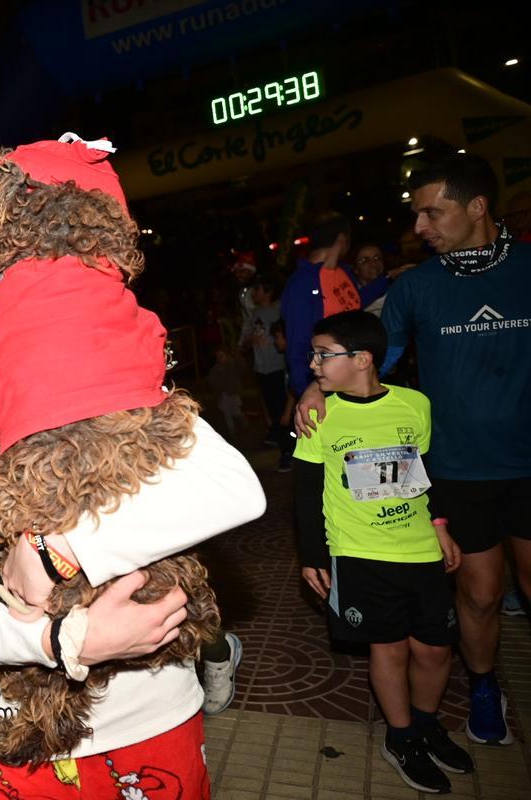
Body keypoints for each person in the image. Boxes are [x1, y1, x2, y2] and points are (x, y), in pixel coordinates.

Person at [0, 208, 265, 797]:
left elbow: (229, 486)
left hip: (143, 707)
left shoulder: (77, 351)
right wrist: (61, 640)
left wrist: (59, 551)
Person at [296, 154, 531, 748]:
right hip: (459, 469)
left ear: (477, 207)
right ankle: (482, 685)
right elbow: (370, 354)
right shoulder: (418, 286)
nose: (420, 225)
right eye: (417, 213)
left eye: (433, 212)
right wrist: (313, 384)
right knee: (478, 593)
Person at [294, 310, 472, 793]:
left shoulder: (415, 405)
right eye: (313, 355)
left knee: (435, 650)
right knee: (388, 648)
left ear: (363, 358)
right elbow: (306, 492)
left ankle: (427, 723)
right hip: (358, 553)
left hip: (419, 550)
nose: (313, 364)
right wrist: (313, 555)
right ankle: (402, 737)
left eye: (323, 355)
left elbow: (425, 471)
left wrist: (440, 526)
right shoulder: (320, 415)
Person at [281, 214, 389, 396]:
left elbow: (353, 303)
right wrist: (306, 391)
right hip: (325, 386)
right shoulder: (302, 283)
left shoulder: (343, 272)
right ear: (342, 239)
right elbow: (297, 344)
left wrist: (387, 278)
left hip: (356, 377)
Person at [240, 276, 292, 470]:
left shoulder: (278, 310)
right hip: (261, 368)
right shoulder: (254, 314)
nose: (254, 293)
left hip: (277, 367)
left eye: (257, 289)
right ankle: (279, 439)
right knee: (271, 408)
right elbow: (246, 341)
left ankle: (288, 450)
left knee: (282, 409)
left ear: (268, 291)